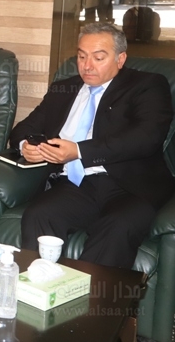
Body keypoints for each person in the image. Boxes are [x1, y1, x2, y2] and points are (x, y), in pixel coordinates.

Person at [12, 22, 175, 269]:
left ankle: (90, 295)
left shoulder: (147, 85)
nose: (87, 65)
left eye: (98, 58)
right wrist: (27, 146)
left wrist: (79, 151)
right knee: (39, 214)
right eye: (81, 56)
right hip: (75, 184)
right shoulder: (63, 90)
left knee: (118, 226)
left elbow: (147, 137)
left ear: (120, 59)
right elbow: (23, 129)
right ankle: (36, 287)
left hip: (130, 188)